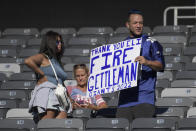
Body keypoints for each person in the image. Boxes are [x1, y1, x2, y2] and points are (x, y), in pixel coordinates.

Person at [116, 9, 165, 122]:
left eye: (141, 23)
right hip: (124, 102)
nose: (138, 26)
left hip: (144, 99)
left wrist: (147, 62)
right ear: (128, 25)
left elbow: (161, 66)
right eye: (135, 23)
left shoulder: (152, 42)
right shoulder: (121, 46)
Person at [26, 31, 69, 121]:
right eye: (57, 42)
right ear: (50, 43)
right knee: (47, 123)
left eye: (61, 41)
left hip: (59, 94)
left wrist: (69, 97)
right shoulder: (43, 57)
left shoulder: (56, 61)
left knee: (61, 121)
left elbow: (60, 81)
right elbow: (28, 61)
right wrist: (42, 74)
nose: (60, 44)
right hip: (48, 92)